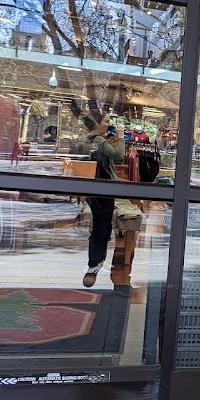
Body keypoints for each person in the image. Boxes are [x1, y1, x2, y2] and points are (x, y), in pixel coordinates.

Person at [80, 110, 125, 288]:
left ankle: (97, 260)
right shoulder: (98, 140)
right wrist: (120, 138)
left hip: (93, 189)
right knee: (101, 226)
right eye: (106, 121)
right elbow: (119, 155)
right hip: (103, 191)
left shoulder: (89, 139)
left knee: (101, 224)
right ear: (97, 124)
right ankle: (94, 263)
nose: (109, 124)